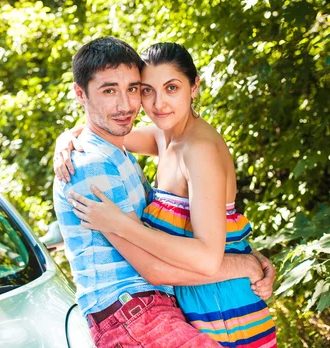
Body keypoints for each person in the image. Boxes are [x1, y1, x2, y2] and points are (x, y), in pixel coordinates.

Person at [53, 37, 275, 348]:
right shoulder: (160, 137)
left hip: (221, 306)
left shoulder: (198, 149)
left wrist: (122, 225)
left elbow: (209, 258)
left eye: (172, 88)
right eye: (146, 90)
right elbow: (104, 135)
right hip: (175, 304)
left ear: (193, 87)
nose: (157, 104)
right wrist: (66, 138)